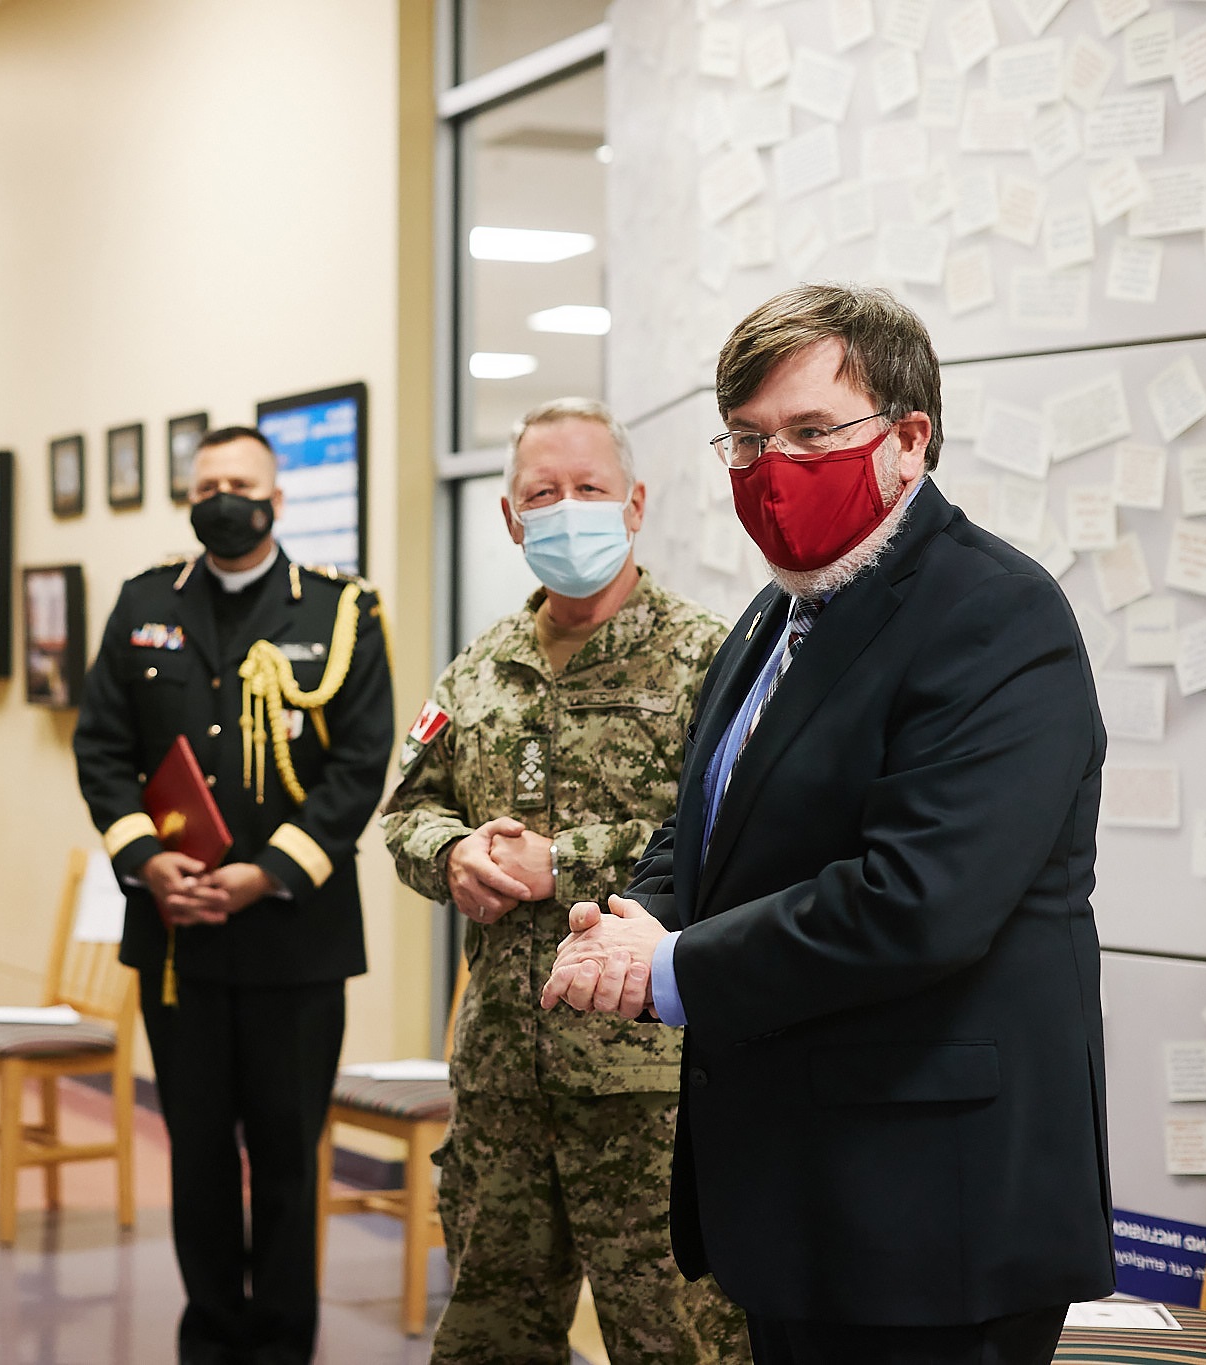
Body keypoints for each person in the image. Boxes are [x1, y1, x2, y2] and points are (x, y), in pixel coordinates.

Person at [541, 284, 1113, 1364]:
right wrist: (632, 917)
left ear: (907, 439)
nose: (772, 470)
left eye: (811, 433)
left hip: (929, 1216)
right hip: (798, 1196)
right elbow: (708, 824)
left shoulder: (994, 613)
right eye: (747, 440)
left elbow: (917, 904)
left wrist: (667, 969)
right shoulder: (780, 606)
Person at [381, 398, 746, 1365]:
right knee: (489, 1342)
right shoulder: (480, 669)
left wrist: (568, 863)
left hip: (649, 1091)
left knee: (676, 1347)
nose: (568, 509)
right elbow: (405, 812)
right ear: (511, 517)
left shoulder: (709, 658)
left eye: (589, 488)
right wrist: (453, 851)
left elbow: (733, 843)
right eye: (544, 492)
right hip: (505, 1079)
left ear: (632, 503)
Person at [72, 426, 395, 1365]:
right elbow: (103, 747)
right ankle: (210, 1339)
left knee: (289, 1160)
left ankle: (284, 1344)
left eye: (242, 485)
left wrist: (268, 873)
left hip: (295, 940)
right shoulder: (144, 605)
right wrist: (143, 857)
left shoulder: (339, 612)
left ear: (277, 500)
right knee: (201, 1156)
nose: (224, 498)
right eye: (208, 483)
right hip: (179, 942)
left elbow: (359, 766)